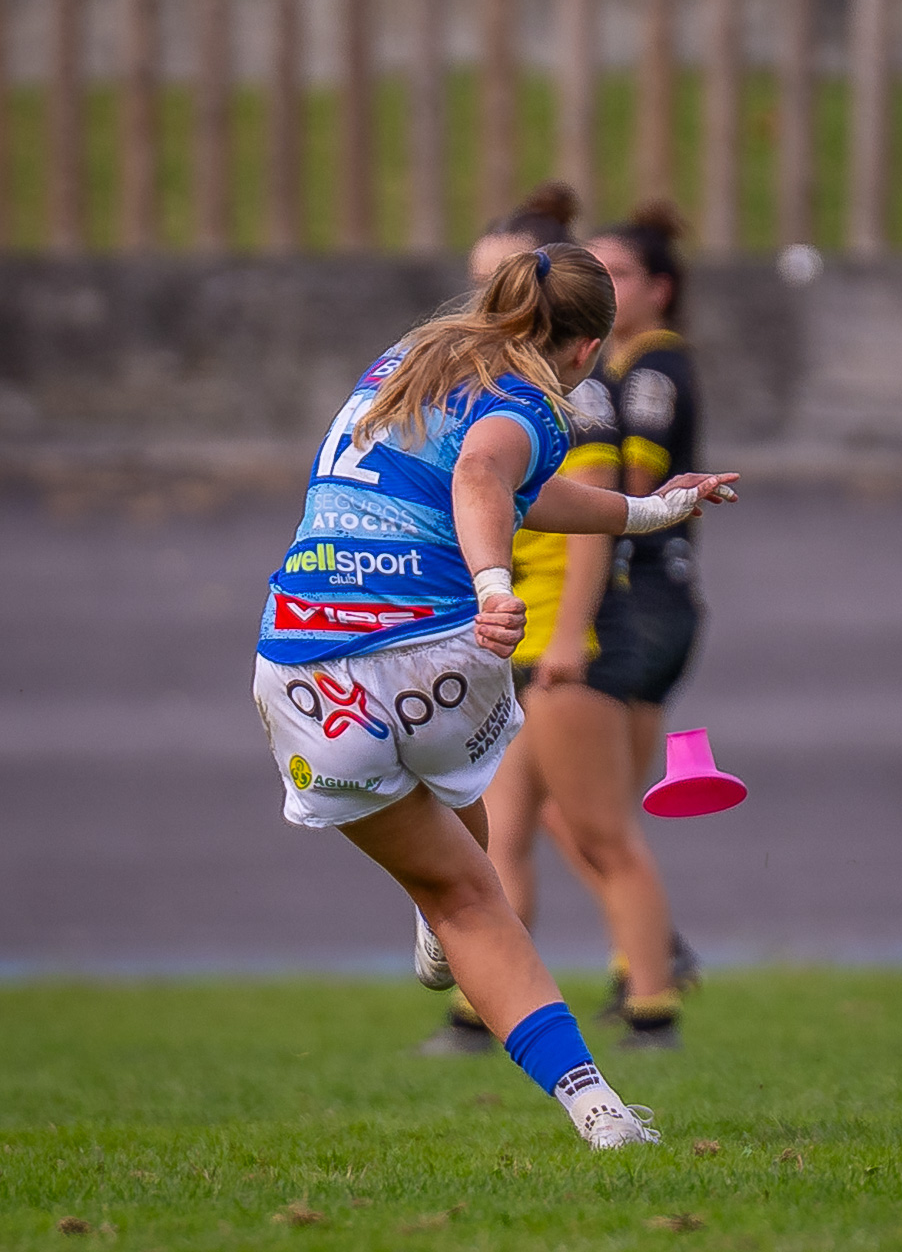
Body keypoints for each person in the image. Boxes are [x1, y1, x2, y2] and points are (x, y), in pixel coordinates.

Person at [252, 243, 738, 1148]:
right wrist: (491, 584)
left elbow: (509, 485)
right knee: (476, 887)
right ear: (587, 348)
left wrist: (646, 511)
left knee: (455, 872)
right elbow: (486, 474)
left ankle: (438, 919)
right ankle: (600, 1111)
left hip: (299, 666)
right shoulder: (538, 400)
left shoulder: (403, 363)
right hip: (432, 649)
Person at [425, 186, 684, 1056]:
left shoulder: (571, 401)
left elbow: (590, 519)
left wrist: (568, 635)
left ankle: (653, 1005)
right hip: (513, 642)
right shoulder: (511, 389)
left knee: (601, 833)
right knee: (499, 838)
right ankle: (478, 1014)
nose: (477, 307)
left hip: (562, 644)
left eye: (490, 287)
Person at [545, 202, 705, 1022]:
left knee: (595, 815)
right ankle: (639, 955)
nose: (601, 288)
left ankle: (649, 966)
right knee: (582, 806)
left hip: (637, 603)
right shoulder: (623, 372)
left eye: (617, 275)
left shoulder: (642, 376)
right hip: (650, 601)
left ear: (660, 288)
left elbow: (624, 498)